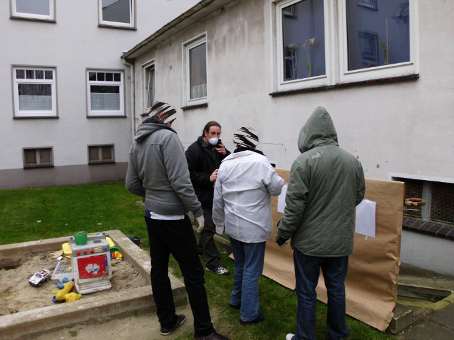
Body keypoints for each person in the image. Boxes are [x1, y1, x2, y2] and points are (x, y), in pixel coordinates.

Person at [125, 101, 228, 340]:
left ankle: (167, 321)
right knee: (193, 273)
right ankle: (204, 331)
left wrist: (152, 196)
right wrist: (197, 212)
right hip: (173, 217)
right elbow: (181, 183)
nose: (172, 124)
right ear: (162, 118)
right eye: (170, 120)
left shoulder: (137, 141)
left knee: (159, 270)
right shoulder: (168, 138)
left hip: (152, 215)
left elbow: (131, 184)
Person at [276, 107, 365, 340]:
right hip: (340, 243)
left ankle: (305, 337)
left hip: (309, 245)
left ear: (308, 134)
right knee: (336, 289)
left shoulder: (303, 163)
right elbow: (358, 196)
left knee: (306, 292)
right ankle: (338, 334)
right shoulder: (352, 162)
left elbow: (294, 207)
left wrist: (282, 233)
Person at [212, 127, 285, 324]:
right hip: (253, 227)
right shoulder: (261, 162)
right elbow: (277, 188)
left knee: (241, 264)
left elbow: (217, 198)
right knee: (252, 269)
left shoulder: (225, 163)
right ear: (254, 143)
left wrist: (219, 224)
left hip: (233, 226)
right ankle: (249, 313)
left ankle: (236, 299)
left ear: (237, 143)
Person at [186, 121, 230, 275]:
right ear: (205, 133)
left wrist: (227, 154)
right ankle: (213, 263)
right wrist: (207, 178)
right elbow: (188, 174)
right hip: (201, 196)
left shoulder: (219, 147)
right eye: (213, 133)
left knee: (208, 227)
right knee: (208, 227)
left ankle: (198, 249)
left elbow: (231, 164)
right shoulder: (193, 150)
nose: (216, 137)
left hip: (217, 196)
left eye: (218, 134)